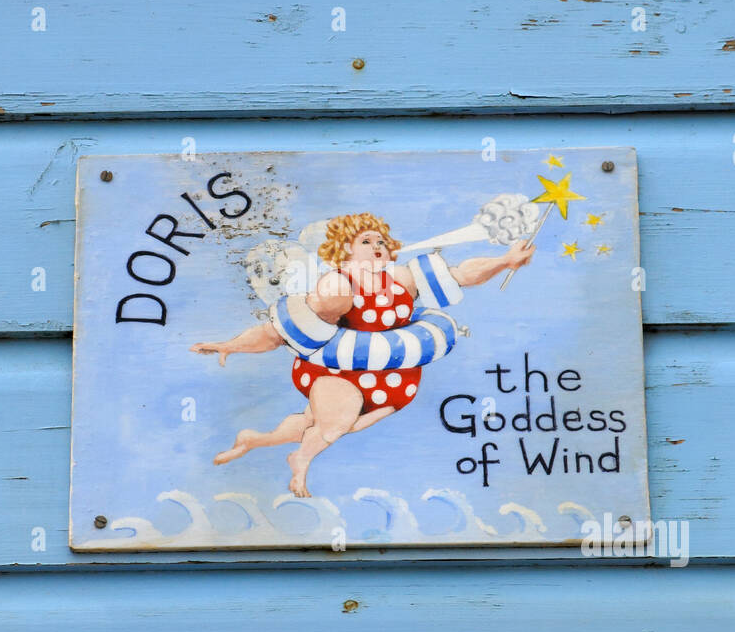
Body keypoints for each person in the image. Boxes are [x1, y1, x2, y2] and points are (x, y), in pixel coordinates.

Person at [191, 211, 535, 497]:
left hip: (391, 377)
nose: (377, 248)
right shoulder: (334, 285)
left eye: (380, 241)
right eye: (365, 242)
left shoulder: (402, 278)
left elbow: (461, 276)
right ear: (345, 250)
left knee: (314, 423)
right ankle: (301, 462)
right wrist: (230, 345)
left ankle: (253, 440)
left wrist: (505, 261)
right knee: (334, 426)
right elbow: (280, 333)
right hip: (338, 372)